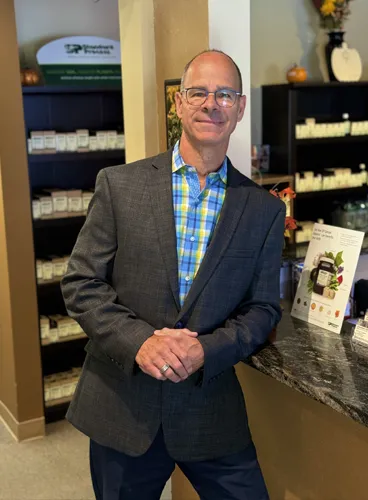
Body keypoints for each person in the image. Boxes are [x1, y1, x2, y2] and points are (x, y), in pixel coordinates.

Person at [61, 49, 285, 500]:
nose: (211, 103)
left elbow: (262, 308)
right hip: (123, 406)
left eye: (225, 94)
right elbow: (81, 283)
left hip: (210, 409)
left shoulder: (263, 209)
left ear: (240, 108)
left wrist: (206, 350)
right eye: (198, 92)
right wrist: (140, 341)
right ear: (179, 104)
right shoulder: (119, 185)